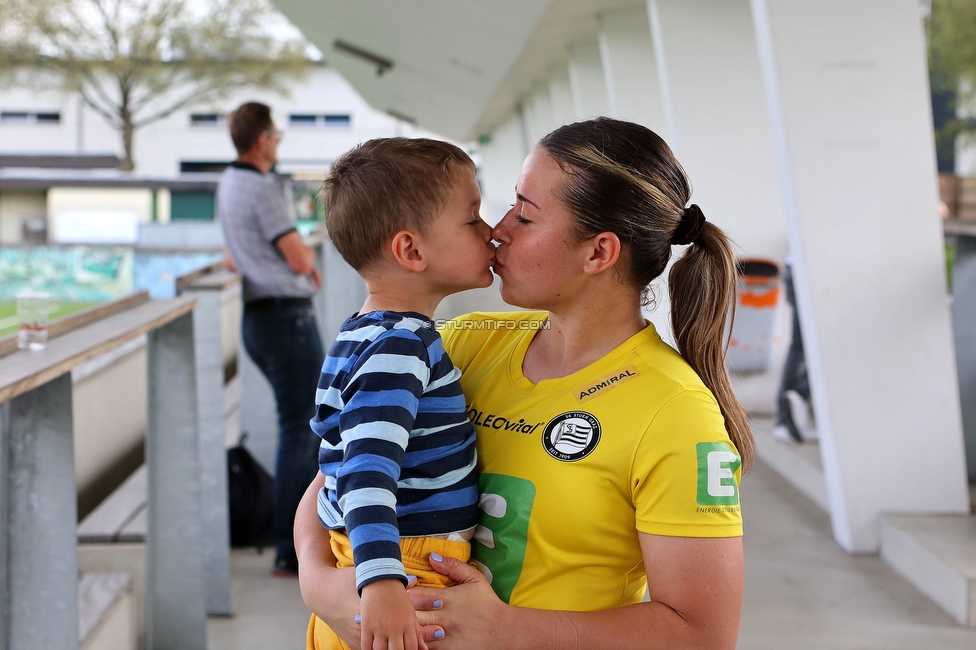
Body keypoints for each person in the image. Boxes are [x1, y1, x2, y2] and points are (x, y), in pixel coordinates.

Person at [297, 118, 755, 650]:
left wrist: (507, 630)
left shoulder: (674, 410)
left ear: (599, 253)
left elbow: (704, 635)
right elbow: (340, 473)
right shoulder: (462, 345)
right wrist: (318, 582)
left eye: (526, 215)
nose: (498, 229)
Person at [308, 137, 496, 650]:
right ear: (411, 250)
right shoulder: (402, 346)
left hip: (377, 560)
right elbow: (367, 473)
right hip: (406, 571)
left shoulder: (360, 334)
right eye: (473, 218)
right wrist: (382, 584)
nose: (492, 232)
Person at [217, 101, 324, 576]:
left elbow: (230, 255)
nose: (277, 144)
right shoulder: (261, 188)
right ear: (262, 139)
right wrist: (309, 268)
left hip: (257, 318)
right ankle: (290, 548)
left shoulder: (227, 183)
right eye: (277, 137)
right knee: (302, 431)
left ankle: (290, 541)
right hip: (286, 318)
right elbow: (299, 259)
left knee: (294, 427)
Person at [773, 257, 818, 442]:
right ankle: (796, 399)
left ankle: (785, 419)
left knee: (800, 345)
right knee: (815, 347)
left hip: (796, 267)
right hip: (809, 270)